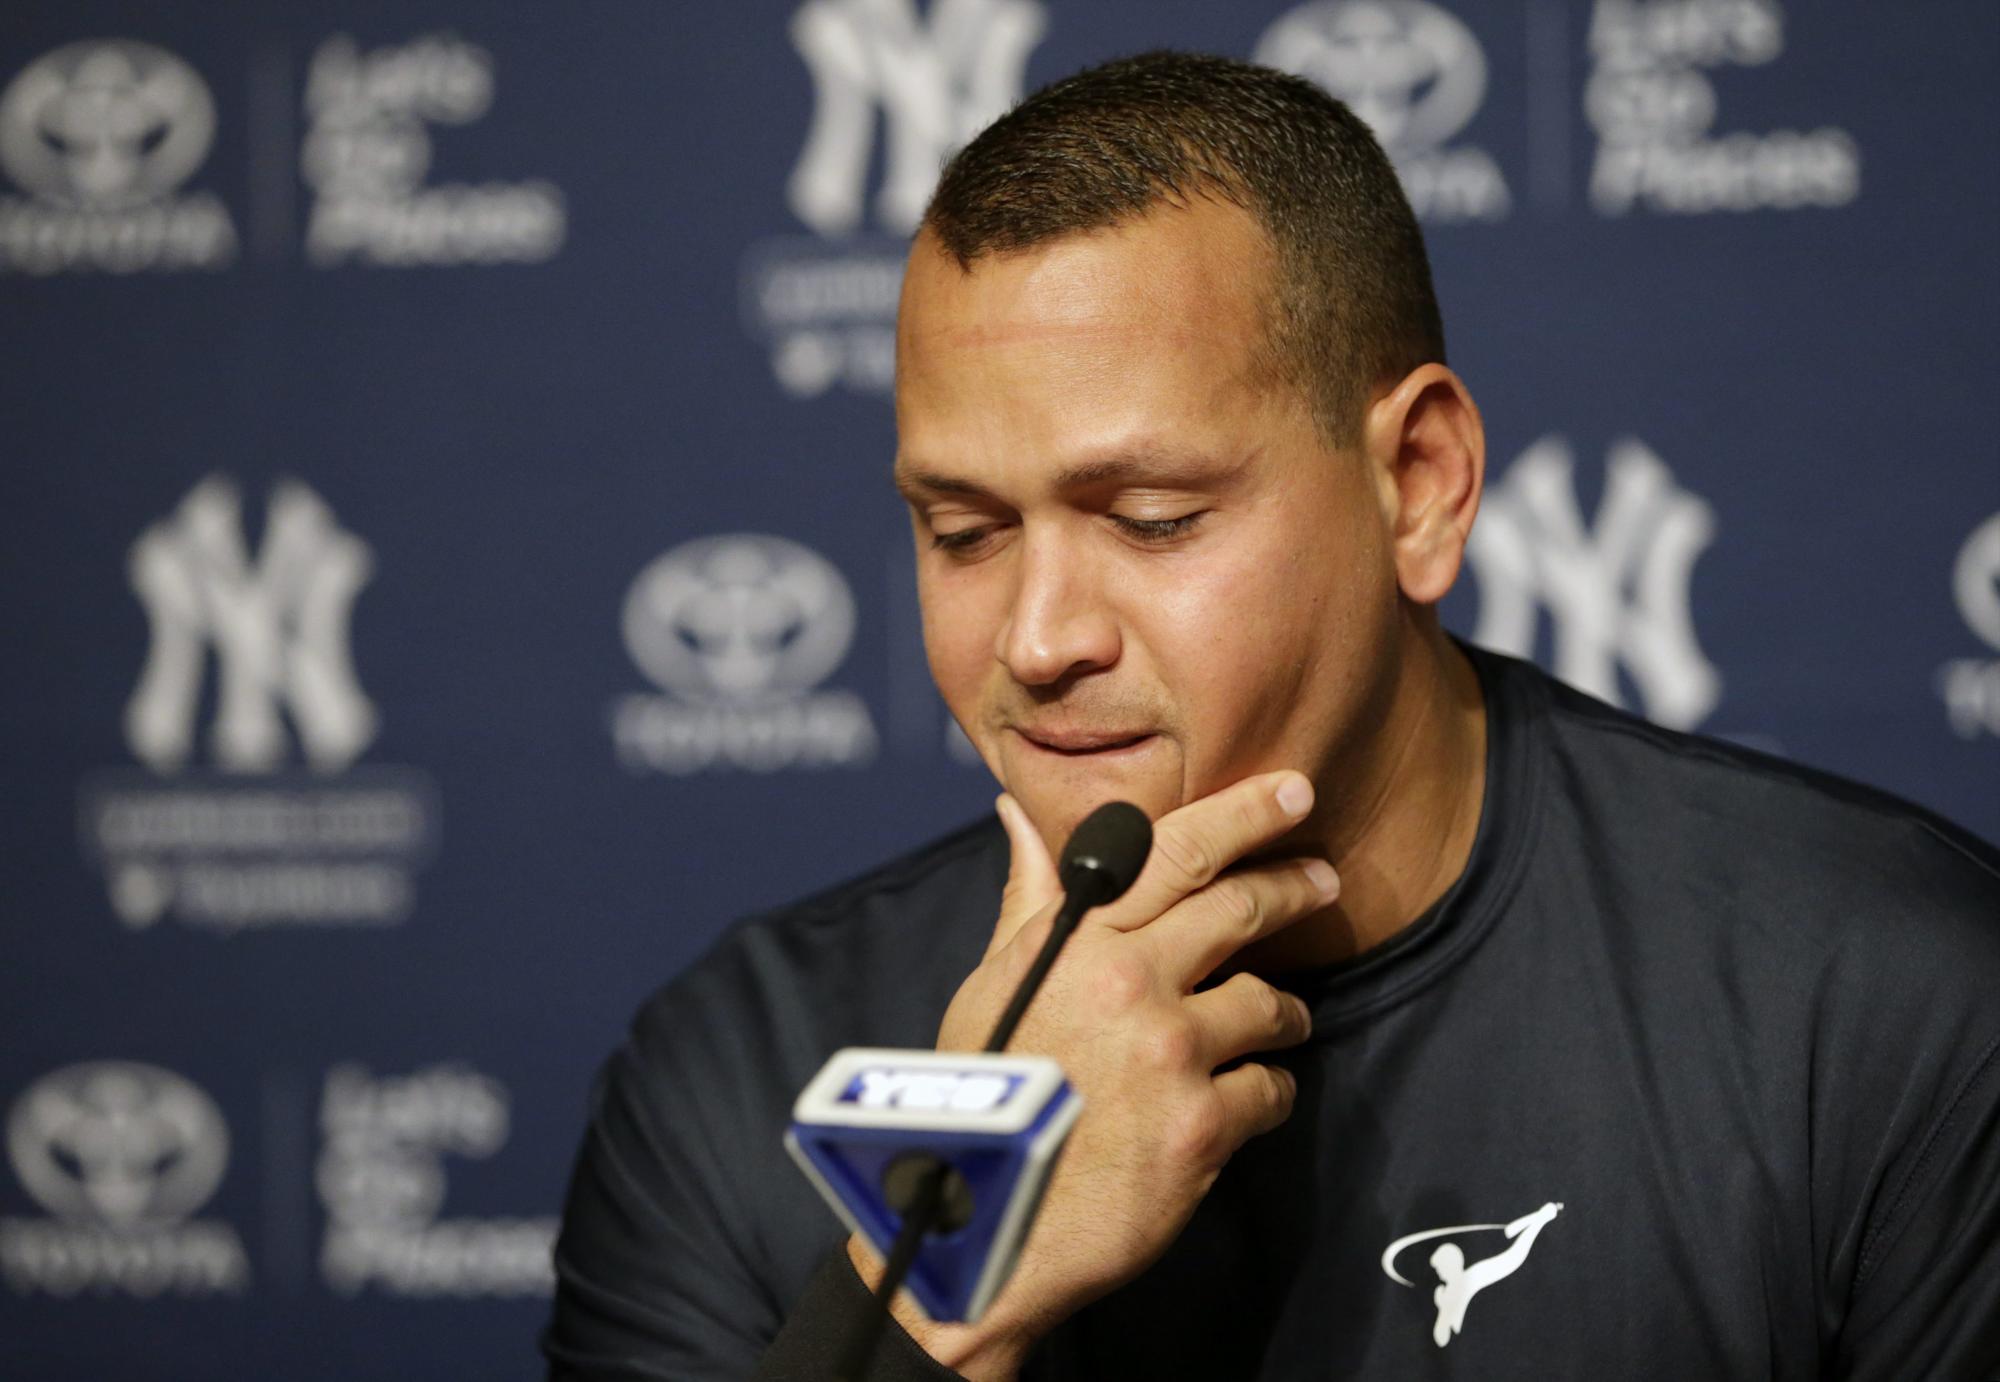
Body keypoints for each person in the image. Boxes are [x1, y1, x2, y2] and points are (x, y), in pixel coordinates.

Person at [544, 51, 2000, 1380]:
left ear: (1417, 483)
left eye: (1156, 518)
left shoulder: (1881, 1005)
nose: (1041, 639)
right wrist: (948, 1266)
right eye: (965, 532)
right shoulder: (737, 1070)